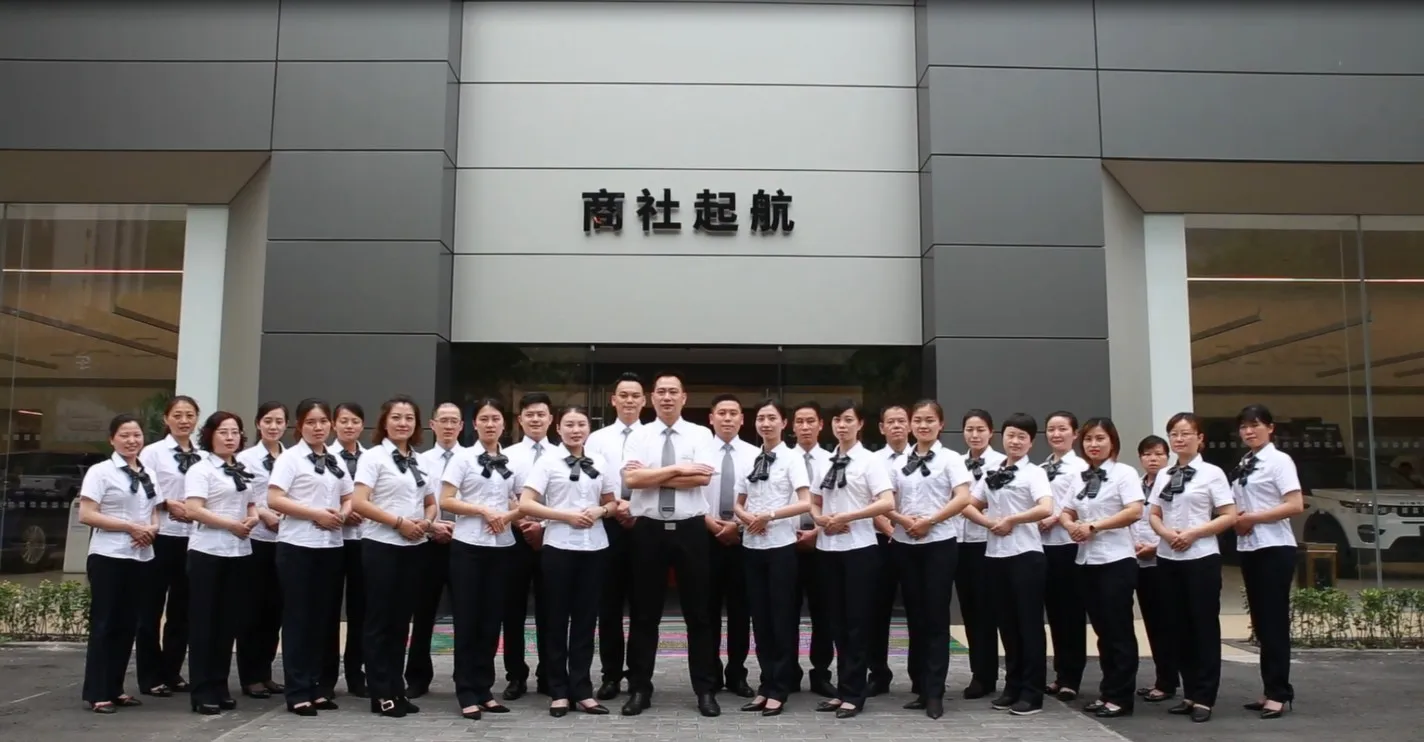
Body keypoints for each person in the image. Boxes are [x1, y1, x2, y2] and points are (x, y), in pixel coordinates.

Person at [619, 371, 718, 717]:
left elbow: (702, 478)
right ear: (652, 397)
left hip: (691, 529)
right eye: (660, 391)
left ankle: (705, 690)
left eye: (673, 391)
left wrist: (655, 475)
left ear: (683, 397)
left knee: (699, 614)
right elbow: (632, 480)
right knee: (644, 614)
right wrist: (679, 469)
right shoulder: (639, 435)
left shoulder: (700, 434)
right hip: (648, 530)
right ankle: (639, 689)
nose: (666, 397)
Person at [519, 405, 618, 717]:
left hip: (595, 547)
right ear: (558, 428)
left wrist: (601, 511)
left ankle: (582, 690)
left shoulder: (599, 461)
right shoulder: (548, 461)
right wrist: (565, 516)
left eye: (581, 424)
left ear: (588, 428)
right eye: (569, 425)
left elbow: (612, 502)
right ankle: (558, 691)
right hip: (559, 547)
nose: (576, 430)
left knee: (586, 621)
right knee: (556, 620)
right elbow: (526, 503)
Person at [885, 400, 973, 719]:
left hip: (939, 544)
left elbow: (962, 498)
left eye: (930, 420)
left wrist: (930, 521)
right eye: (918, 420)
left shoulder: (951, 459)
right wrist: (904, 521)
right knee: (915, 617)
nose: (923, 425)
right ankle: (921, 687)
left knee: (936, 617)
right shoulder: (899, 462)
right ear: (911, 424)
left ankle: (935, 692)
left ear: (941, 424)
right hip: (905, 543)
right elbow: (885, 500)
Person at [268, 398, 354, 716]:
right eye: (311, 422)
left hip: (330, 547)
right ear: (300, 426)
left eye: (322, 422)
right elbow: (274, 498)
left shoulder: (334, 459)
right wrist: (315, 514)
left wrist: (342, 513)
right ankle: (298, 690)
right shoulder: (290, 459)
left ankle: (317, 687)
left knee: (324, 619)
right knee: (299, 619)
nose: (318, 428)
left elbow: (349, 496)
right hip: (298, 546)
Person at [962, 412, 1053, 717]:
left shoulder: (1035, 473)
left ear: (1031, 442)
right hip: (995, 555)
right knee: (1007, 625)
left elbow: (1045, 508)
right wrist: (989, 523)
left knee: (1029, 625)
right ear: (1002, 437)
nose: (1015, 442)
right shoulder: (991, 471)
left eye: (1022, 437)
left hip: (1026, 555)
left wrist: (1013, 519)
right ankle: (1012, 686)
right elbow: (968, 505)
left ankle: (1032, 692)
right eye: (1011, 435)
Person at [1149, 412, 1237, 724]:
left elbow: (1229, 515)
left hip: (1200, 556)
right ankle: (1188, 693)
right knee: (1177, 626)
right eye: (1174, 433)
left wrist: (1194, 533)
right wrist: (1165, 534)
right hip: (1168, 557)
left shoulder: (1212, 473)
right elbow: (1154, 512)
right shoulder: (1164, 474)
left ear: (1200, 439)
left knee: (1203, 627)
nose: (1179, 438)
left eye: (1186, 433)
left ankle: (1205, 696)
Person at [809, 399, 895, 720]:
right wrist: (820, 519)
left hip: (860, 549)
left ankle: (854, 693)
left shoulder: (870, 461)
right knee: (836, 623)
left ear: (860, 424)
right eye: (837, 420)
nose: (842, 425)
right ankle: (843, 689)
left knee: (857, 623)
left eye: (848, 420)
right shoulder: (825, 461)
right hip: (828, 549)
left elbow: (886, 502)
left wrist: (849, 516)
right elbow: (813, 501)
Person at [351, 396, 436, 718]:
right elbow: (360, 502)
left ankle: (396, 688)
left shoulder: (420, 460)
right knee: (380, 622)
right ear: (384, 422)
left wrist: (426, 522)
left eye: (409, 418)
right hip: (382, 545)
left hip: (415, 547)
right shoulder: (373, 457)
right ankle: (381, 693)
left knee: (401, 622)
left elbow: (431, 501)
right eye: (397, 417)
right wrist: (399, 523)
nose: (403, 423)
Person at [1058, 417, 1143, 719]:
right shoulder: (1080, 476)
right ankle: (1108, 692)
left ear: (1113, 442)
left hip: (1116, 561)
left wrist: (1095, 526)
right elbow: (1066, 510)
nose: (1094, 444)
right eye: (1089, 439)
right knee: (1102, 631)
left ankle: (1121, 696)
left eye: (1100, 438)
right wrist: (1071, 526)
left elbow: (1135, 511)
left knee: (1118, 631)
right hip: (1087, 560)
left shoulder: (1124, 473)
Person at [440, 398, 518, 720]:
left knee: (491, 619)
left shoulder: (511, 460)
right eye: (484, 419)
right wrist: (482, 510)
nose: (490, 424)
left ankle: (485, 689)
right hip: (469, 546)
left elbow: (517, 499)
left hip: (502, 546)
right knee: (468, 619)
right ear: (474, 424)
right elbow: (446, 500)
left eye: (495, 418)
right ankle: (465, 690)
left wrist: (509, 514)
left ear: (504, 424)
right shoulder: (462, 458)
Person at [733, 399, 811, 716]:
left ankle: (780, 687)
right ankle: (765, 685)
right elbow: (738, 502)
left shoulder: (793, 459)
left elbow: (806, 502)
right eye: (761, 418)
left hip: (781, 546)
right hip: (752, 547)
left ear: (784, 423)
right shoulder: (749, 460)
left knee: (782, 618)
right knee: (760, 619)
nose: (766, 423)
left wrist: (770, 515)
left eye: (772, 418)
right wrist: (746, 517)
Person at [79, 413, 159, 714]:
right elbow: (87, 514)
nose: (131, 441)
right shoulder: (101, 472)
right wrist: (130, 528)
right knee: (105, 623)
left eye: (136, 435)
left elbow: (154, 511)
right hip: (108, 555)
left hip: (140, 555)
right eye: (124, 435)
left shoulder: (147, 472)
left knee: (128, 624)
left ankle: (115, 688)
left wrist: (152, 529)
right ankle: (97, 692)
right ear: (112, 439)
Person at [183, 411, 259, 715]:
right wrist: (231, 525)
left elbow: (251, 503)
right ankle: (202, 690)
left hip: (238, 552)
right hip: (208, 552)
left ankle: (219, 684)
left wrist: (252, 518)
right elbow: (193, 509)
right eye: (223, 432)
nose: (230, 437)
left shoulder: (240, 469)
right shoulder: (201, 469)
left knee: (228, 624)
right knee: (205, 623)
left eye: (235, 432)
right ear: (210, 436)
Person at [1231, 404, 1303, 720]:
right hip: (1250, 546)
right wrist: (1237, 520)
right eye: (1244, 426)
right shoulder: (1245, 462)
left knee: (1274, 622)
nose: (1249, 431)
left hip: (1275, 546)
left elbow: (1295, 504)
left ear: (1270, 428)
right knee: (1261, 623)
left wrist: (1253, 518)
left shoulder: (1279, 461)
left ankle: (1279, 693)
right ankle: (1269, 688)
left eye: (1255, 425)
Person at [585, 373, 645, 700]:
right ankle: (610, 675)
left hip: (644, 523)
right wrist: (616, 506)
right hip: (607, 524)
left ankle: (638, 676)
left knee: (642, 605)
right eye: (623, 395)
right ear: (613, 400)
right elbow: (589, 482)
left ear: (644, 400)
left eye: (635, 395)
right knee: (608, 605)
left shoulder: (653, 437)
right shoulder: (596, 439)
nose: (629, 401)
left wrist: (634, 507)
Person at [136, 395, 199, 697]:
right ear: (166, 419)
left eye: (189, 415)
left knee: (182, 610)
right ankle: (150, 675)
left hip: (193, 538)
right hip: (161, 536)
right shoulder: (153, 453)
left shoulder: (203, 455)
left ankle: (172, 671)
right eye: (178, 415)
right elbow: (141, 489)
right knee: (150, 608)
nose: (184, 420)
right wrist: (166, 503)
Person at [698, 394, 758, 699]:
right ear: (711, 418)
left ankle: (737, 673)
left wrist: (738, 526)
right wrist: (712, 525)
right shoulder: (698, 453)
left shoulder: (755, 455)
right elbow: (690, 495)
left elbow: (760, 498)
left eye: (733, 413)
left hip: (743, 539)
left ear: (742, 419)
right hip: (704, 538)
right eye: (721, 413)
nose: (727, 418)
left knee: (740, 611)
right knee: (706, 610)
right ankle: (709, 673)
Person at [502, 393, 558, 700]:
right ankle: (515, 675)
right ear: (520, 420)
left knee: (551, 610)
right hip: (515, 539)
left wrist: (543, 526)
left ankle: (549, 673)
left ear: (551, 419)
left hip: (553, 539)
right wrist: (523, 524)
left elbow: (568, 498)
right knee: (513, 611)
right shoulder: (507, 455)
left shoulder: (563, 455)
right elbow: (503, 495)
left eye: (541, 414)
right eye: (530, 415)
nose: (535, 419)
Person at [235, 401, 288, 699]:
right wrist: (265, 514)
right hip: (256, 539)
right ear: (258, 424)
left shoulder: (292, 457)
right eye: (268, 421)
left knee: (274, 610)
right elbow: (243, 496)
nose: (273, 426)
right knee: (252, 609)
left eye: (279, 421)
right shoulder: (245, 458)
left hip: (285, 540)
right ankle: (250, 675)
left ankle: (266, 672)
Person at [408, 402, 460, 697]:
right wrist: (432, 526)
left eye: (454, 421)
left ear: (462, 426)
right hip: (427, 542)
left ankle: (465, 676)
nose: (449, 426)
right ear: (432, 424)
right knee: (423, 612)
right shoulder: (419, 460)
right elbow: (413, 501)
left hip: (464, 543)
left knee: (466, 613)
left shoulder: (473, 459)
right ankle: (417, 676)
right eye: (444, 420)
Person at [955, 409, 1005, 699]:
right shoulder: (955, 462)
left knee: (987, 610)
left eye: (980, 430)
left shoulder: (1001, 463)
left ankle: (988, 675)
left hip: (986, 542)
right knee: (969, 611)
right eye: (969, 429)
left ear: (991, 432)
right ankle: (979, 672)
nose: (974, 435)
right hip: (958, 542)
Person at [1040, 411, 1088, 702]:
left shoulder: (1080, 467)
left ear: (1075, 433)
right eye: (1051, 429)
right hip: (1042, 546)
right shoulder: (1041, 467)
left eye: (1062, 429)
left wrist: (1054, 518)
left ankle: (1072, 677)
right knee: (1054, 613)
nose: (1056, 434)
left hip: (1069, 545)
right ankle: (1059, 674)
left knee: (1071, 613)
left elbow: (1080, 503)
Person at [788, 401, 834, 697]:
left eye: (810, 421)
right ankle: (788, 673)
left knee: (824, 612)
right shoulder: (780, 459)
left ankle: (821, 673)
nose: (805, 427)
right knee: (786, 612)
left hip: (823, 544)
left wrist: (817, 532)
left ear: (820, 425)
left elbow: (838, 503)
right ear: (792, 427)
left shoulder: (832, 461)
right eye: (800, 422)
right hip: (786, 543)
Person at [867, 404, 910, 697]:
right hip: (882, 542)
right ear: (882, 428)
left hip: (917, 541)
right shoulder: (872, 461)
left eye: (901, 421)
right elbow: (870, 502)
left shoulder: (922, 458)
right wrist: (891, 531)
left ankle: (920, 675)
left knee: (918, 608)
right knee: (877, 610)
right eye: (890, 422)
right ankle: (878, 673)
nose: (896, 426)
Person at [1132, 435, 1177, 704]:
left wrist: (1156, 546)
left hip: (1163, 559)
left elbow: (1178, 520)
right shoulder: (1135, 485)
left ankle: (1168, 681)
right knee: (1151, 622)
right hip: (1136, 560)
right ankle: (1163, 678)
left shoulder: (1173, 483)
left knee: (1166, 622)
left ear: (1167, 457)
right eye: (1148, 454)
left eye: (1159, 454)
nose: (1153, 459)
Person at [331, 402, 368, 697]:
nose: (349, 426)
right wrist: (344, 511)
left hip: (364, 539)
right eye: (344, 421)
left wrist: (362, 509)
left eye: (354, 421)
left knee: (361, 611)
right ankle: (326, 676)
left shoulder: (373, 457)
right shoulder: (324, 456)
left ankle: (356, 674)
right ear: (334, 424)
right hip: (331, 540)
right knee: (328, 610)